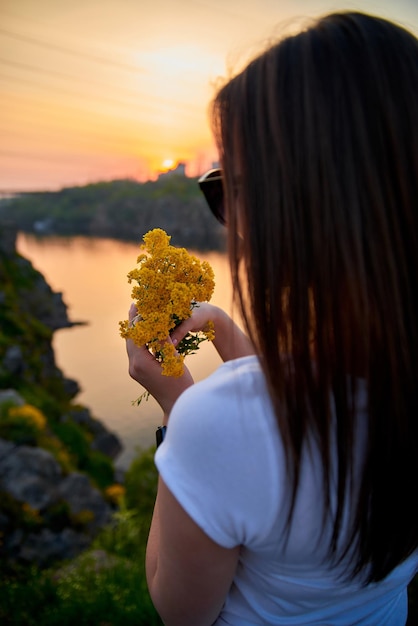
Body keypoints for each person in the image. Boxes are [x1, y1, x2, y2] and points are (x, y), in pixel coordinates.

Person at [126, 11, 418, 625]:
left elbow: (179, 610)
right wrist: (230, 335)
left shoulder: (220, 428)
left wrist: (178, 409)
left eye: (226, 186)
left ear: (292, 209)